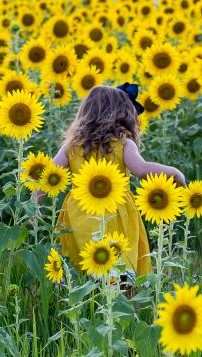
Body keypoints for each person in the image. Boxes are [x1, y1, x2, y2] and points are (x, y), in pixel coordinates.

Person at [36, 84, 186, 276]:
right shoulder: (123, 143)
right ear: (123, 114)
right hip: (117, 213)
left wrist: (35, 204)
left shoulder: (72, 146)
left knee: (81, 263)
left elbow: (48, 174)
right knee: (121, 263)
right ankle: (119, 299)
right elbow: (142, 169)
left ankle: (83, 298)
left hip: (81, 213)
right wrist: (174, 172)